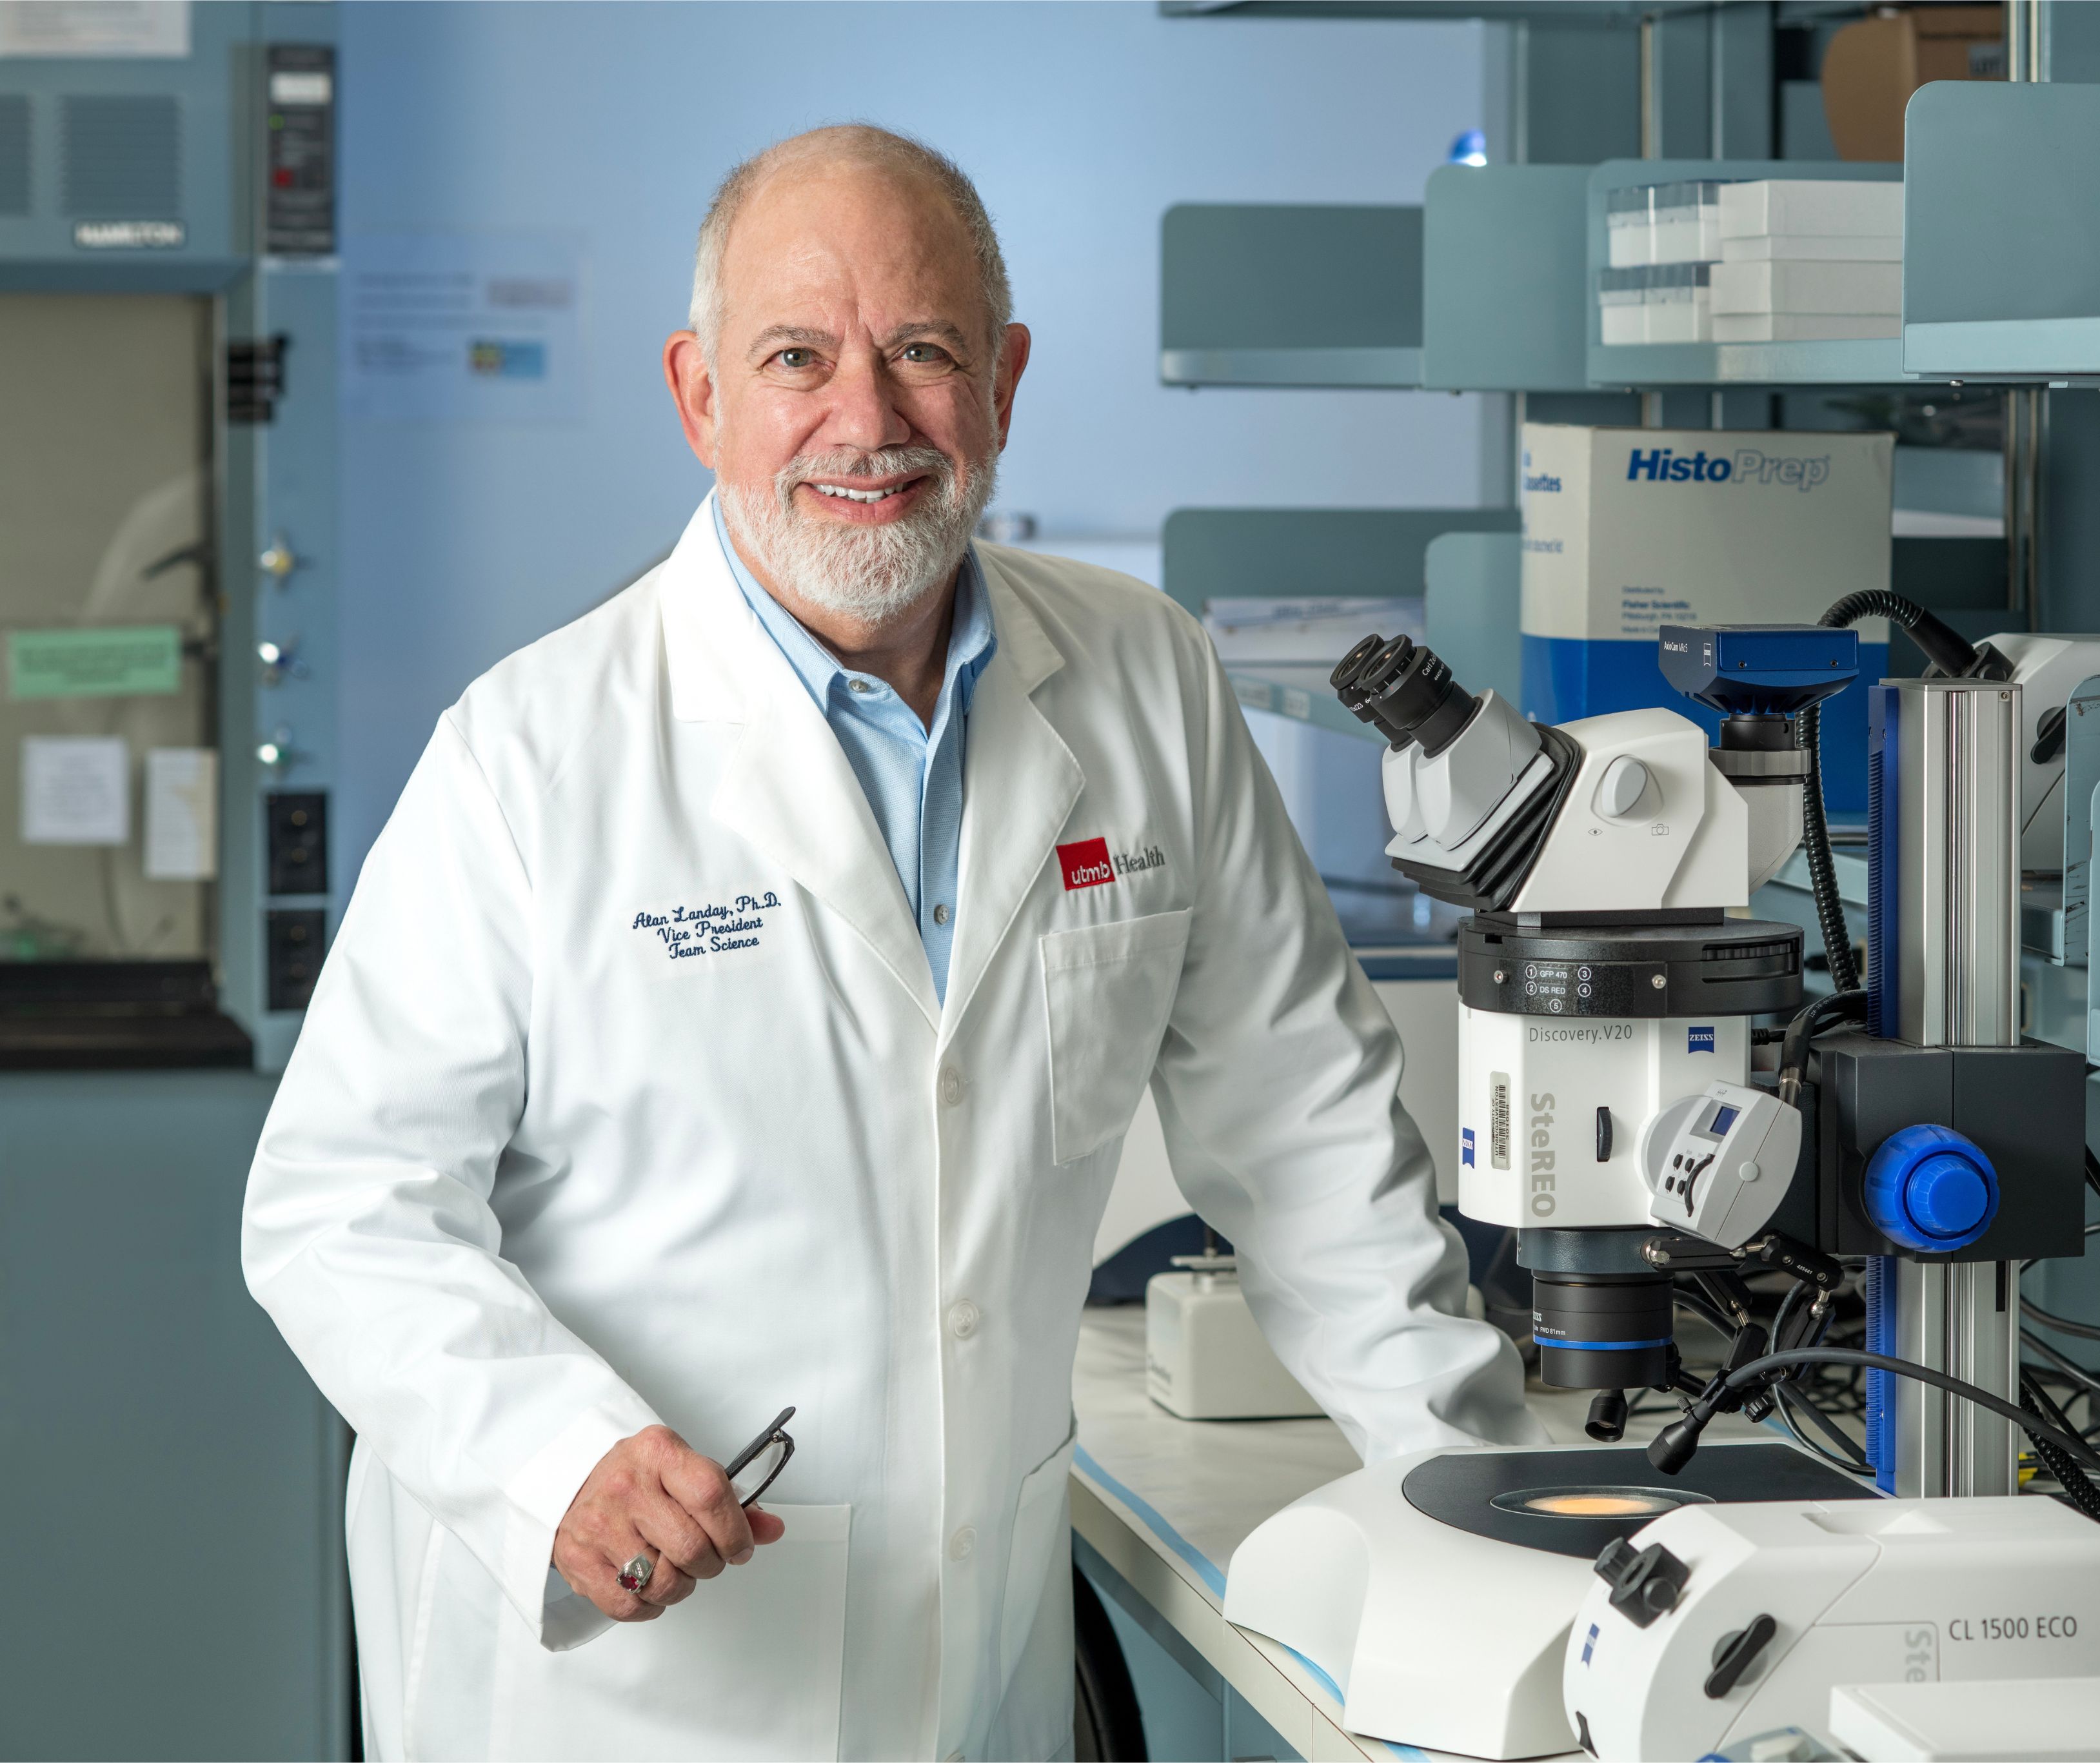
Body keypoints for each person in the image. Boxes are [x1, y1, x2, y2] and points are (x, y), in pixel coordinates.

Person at [241, 123, 1540, 1762]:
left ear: (998, 380)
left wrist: (1486, 1506)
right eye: (796, 356)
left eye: (920, 352)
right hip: (628, 1689)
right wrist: (548, 1453)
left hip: (968, 1661)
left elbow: (1310, 1139)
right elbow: (337, 1208)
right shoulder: (532, 754)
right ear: (699, 394)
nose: (866, 421)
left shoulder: (1142, 676)